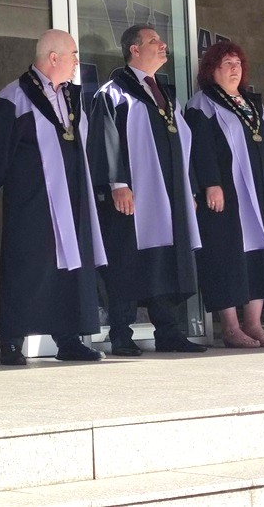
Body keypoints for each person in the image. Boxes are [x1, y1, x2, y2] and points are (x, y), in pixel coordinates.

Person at [0, 29, 107, 365]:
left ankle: (69, 338)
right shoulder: (14, 97)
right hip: (33, 201)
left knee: (71, 268)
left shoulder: (71, 97)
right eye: (73, 54)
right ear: (54, 58)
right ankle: (12, 341)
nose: (77, 61)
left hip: (72, 195)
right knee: (27, 268)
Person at [88, 25, 205, 356]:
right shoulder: (113, 94)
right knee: (127, 262)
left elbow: (184, 144)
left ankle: (168, 332)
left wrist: (190, 189)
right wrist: (118, 183)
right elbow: (105, 138)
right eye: (154, 41)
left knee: (164, 260)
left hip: (170, 195)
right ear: (135, 50)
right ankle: (120, 334)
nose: (163, 44)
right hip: (133, 197)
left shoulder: (164, 94)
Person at [184, 42, 264, 348]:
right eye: (227, 64)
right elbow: (200, 147)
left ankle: (254, 324)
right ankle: (231, 327)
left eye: (238, 63)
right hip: (227, 192)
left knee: (260, 254)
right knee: (228, 255)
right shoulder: (202, 104)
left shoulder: (252, 103)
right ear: (212, 70)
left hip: (261, 190)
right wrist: (210, 183)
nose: (234, 69)